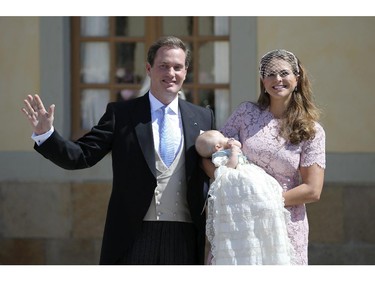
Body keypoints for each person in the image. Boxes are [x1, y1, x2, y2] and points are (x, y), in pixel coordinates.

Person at [21, 36, 215, 265]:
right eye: (163, 66)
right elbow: (81, 155)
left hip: (185, 236)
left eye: (177, 67)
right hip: (133, 234)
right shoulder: (121, 114)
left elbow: (216, 169)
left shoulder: (203, 117)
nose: (171, 73)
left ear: (186, 71)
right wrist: (47, 135)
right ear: (149, 68)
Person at [203, 49, 326, 265]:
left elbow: (313, 190)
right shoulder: (245, 113)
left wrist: (262, 202)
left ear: (297, 79)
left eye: (284, 73)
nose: (277, 79)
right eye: (270, 74)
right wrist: (232, 191)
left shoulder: (311, 130)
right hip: (240, 222)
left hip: (285, 222)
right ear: (262, 80)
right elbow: (213, 156)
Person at [196, 130, 295, 265]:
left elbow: (238, 144)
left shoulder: (227, 146)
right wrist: (234, 152)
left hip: (249, 171)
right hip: (238, 175)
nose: (227, 137)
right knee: (248, 187)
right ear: (217, 147)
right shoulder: (219, 156)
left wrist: (234, 145)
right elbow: (230, 166)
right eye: (223, 137)